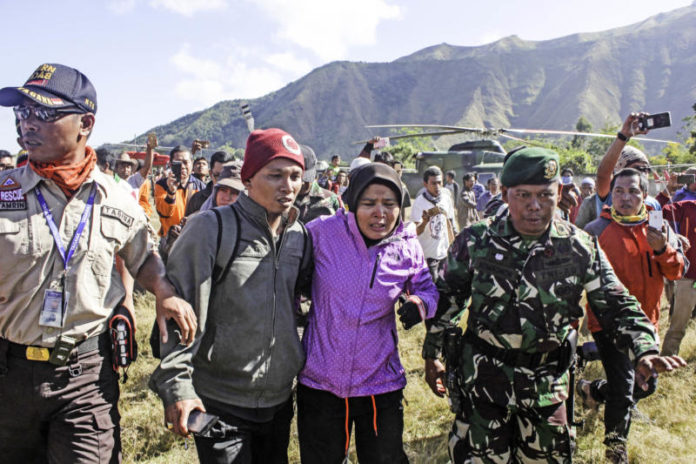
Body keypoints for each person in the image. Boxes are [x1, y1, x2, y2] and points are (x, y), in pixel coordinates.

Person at [422, 147, 686, 463]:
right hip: (483, 388)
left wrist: (645, 348)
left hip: (547, 389)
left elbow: (617, 303)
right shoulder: (476, 241)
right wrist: (431, 355)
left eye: (545, 195)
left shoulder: (579, 246)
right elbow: (447, 300)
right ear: (505, 194)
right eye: (523, 195)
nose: (535, 206)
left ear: (559, 193)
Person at [0, 62, 195, 463]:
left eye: (43, 113)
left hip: (84, 373)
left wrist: (164, 292)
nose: (27, 123)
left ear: (85, 122)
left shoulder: (117, 198)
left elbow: (143, 257)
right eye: (22, 112)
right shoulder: (4, 192)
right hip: (8, 372)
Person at [150, 128, 312, 464]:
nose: (288, 186)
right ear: (249, 179)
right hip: (221, 401)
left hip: (279, 400)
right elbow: (179, 312)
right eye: (276, 175)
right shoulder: (211, 228)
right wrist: (178, 387)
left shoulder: (298, 234)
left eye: (295, 176)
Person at [297, 163, 438, 463]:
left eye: (390, 204)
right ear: (351, 204)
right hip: (321, 381)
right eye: (369, 204)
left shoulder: (407, 246)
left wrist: (420, 304)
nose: (380, 213)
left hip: (379, 384)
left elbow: (428, 289)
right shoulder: (322, 232)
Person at [580, 168, 685, 461]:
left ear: (645, 195)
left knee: (647, 386)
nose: (626, 198)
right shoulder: (596, 231)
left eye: (634, 191)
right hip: (607, 324)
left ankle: (593, 390)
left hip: (647, 324)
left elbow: (675, 272)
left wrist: (663, 248)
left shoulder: (657, 229)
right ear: (610, 195)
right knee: (625, 388)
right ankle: (616, 451)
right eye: (619, 191)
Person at [660, 197, 696, 356]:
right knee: (678, 324)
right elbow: (655, 212)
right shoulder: (687, 207)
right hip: (688, 278)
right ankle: (667, 359)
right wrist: (673, 236)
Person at [411, 166, 456, 280]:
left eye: (439, 182)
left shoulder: (446, 199)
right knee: (432, 286)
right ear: (425, 184)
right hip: (428, 255)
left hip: (444, 253)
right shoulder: (419, 202)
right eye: (433, 183)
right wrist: (425, 221)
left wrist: (453, 247)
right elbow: (416, 231)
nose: (437, 186)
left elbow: (449, 224)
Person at [153, 145, 206, 237]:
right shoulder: (161, 185)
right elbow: (164, 213)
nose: (182, 167)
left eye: (186, 162)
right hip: (170, 239)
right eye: (178, 163)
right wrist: (171, 191)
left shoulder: (201, 186)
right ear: (170, 164)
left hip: (193, 238)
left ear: (192, 163)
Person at [295, 144, 341, 223]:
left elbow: (342, 221)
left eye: (306, 177)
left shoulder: (331, 198)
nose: (302, 182)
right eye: (295, 177)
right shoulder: (280, 198)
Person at [185, 150, 234, 215]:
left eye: (227, 175)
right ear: (211, 174)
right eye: (218, 176)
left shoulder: (242, 199)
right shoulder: (198, 199)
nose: (223, 181)